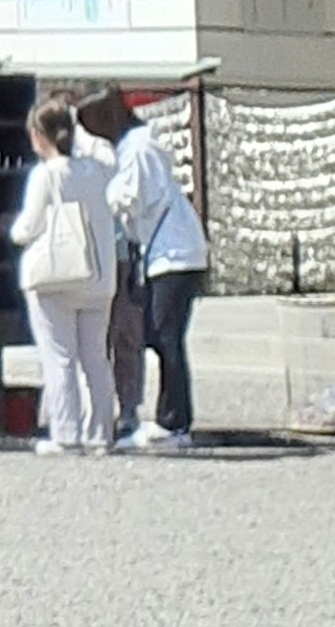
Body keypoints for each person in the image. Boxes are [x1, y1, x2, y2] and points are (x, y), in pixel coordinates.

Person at [86, 90, 208, 450]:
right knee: (159, 334)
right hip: (167, 252)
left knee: (166, 337)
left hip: (175, 254)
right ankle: (171, 417)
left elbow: (131, 197)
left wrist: (99, 196)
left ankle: (176, 423)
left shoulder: (140, 148)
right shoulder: (138, 146)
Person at [13, 89, 122, 453]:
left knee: (59, 357)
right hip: (98, 275)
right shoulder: (98, 169)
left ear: (39, 136)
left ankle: (66, 433)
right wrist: (79, 130)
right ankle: (101, 434)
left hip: (55, 278)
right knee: (95, 358)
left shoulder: (45, 176)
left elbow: (27, 226)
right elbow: (107, 153)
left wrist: (15, 234)